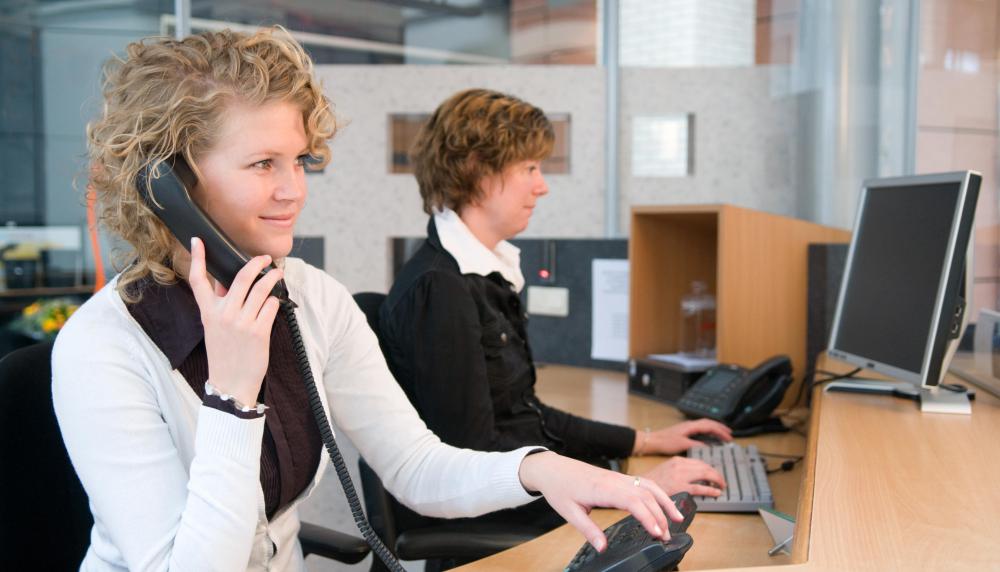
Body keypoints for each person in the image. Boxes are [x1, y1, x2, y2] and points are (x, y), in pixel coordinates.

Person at [52, 29, 684, 571]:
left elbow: (414, 465)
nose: (292, 190)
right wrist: (233, 398)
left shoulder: (309, 299)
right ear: (170, 184)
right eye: (262, 164)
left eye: (299, 160)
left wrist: (541, 469)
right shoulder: (103, 347)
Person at [379, 89, 730, 527]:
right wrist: (625, 487)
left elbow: (530, 417)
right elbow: (475, 459)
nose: (541, 185)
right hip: (497, 516)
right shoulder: (441, 289)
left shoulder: (480, 274)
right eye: (529, 168)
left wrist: (642, 442)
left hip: (529, 491)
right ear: (476, 170)